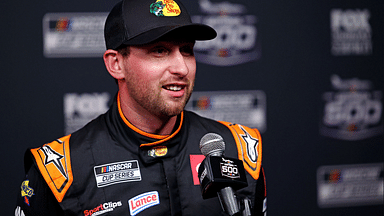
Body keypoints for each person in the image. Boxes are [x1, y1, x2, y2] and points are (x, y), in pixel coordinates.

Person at [15, 0, 267, 215]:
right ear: (116, 64)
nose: (181, 68)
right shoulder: (60, 171)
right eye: (159, 51)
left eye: (187, 50)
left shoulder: (240, 149)